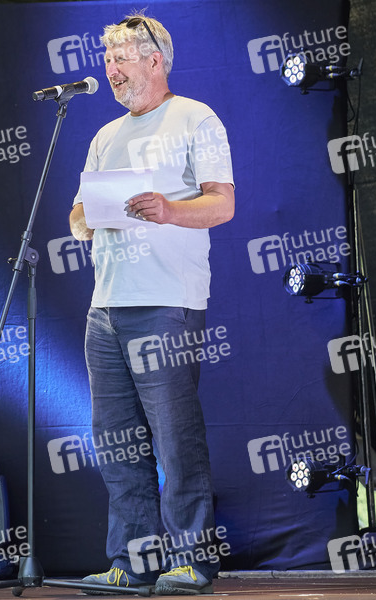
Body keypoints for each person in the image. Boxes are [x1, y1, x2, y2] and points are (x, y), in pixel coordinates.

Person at [69, 12, 235, 596]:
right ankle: (132, 561)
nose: (112, 70)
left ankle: (193, 560)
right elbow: (77, 214)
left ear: (155, 60)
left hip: (166, 302)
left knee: (174, 438)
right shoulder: (104, 136)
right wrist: (87, 220)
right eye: (107, 59)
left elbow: (222, 205)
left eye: (122, 58)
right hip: (105, 309)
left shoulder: (195, 118)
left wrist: (167, 210)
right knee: (118, 443)